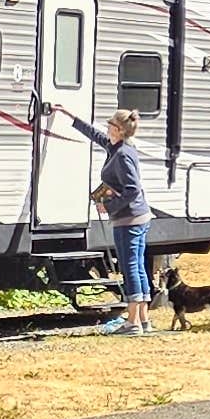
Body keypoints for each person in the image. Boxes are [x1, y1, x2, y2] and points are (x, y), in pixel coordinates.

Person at [94, 108, 153, 334]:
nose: (106, 127)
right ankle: (143, 320)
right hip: (137, 217)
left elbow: (132, 189)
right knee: (138, 266)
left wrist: (107, 206)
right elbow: (97, 136)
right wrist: (72, 119)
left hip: (130, 218)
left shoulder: (122, 155)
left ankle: (132, 322)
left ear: (118, 130)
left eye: (109, 124)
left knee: (130, 267)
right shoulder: (122, 147)